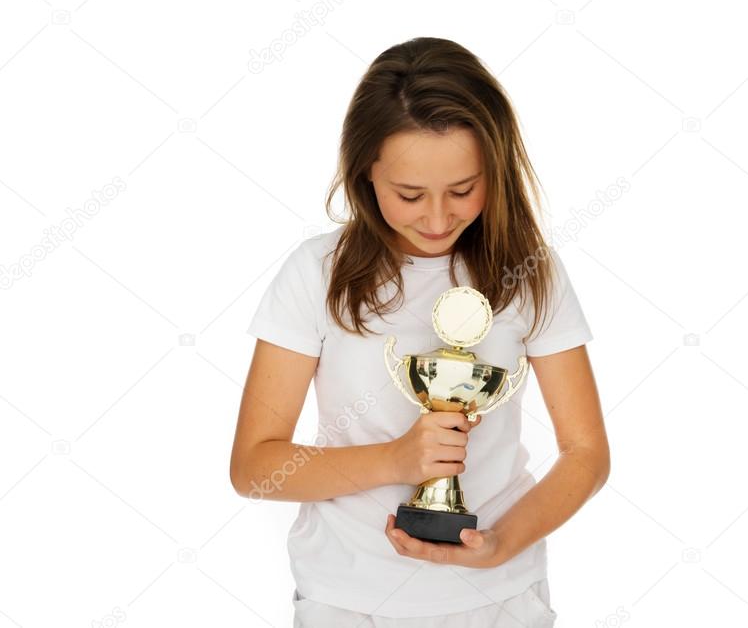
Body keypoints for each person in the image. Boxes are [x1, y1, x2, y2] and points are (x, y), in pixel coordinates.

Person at [229, 37, 610, 627]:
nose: (437, 218)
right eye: (409, 195)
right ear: (364, 175)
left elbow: (586, 453)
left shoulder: (531, 271)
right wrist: (397, 459)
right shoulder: (316, 274)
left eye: (463, 190)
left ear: (497, 170)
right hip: (347, 603)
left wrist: (503, 544)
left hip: (500, 602)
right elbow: (254, 467)